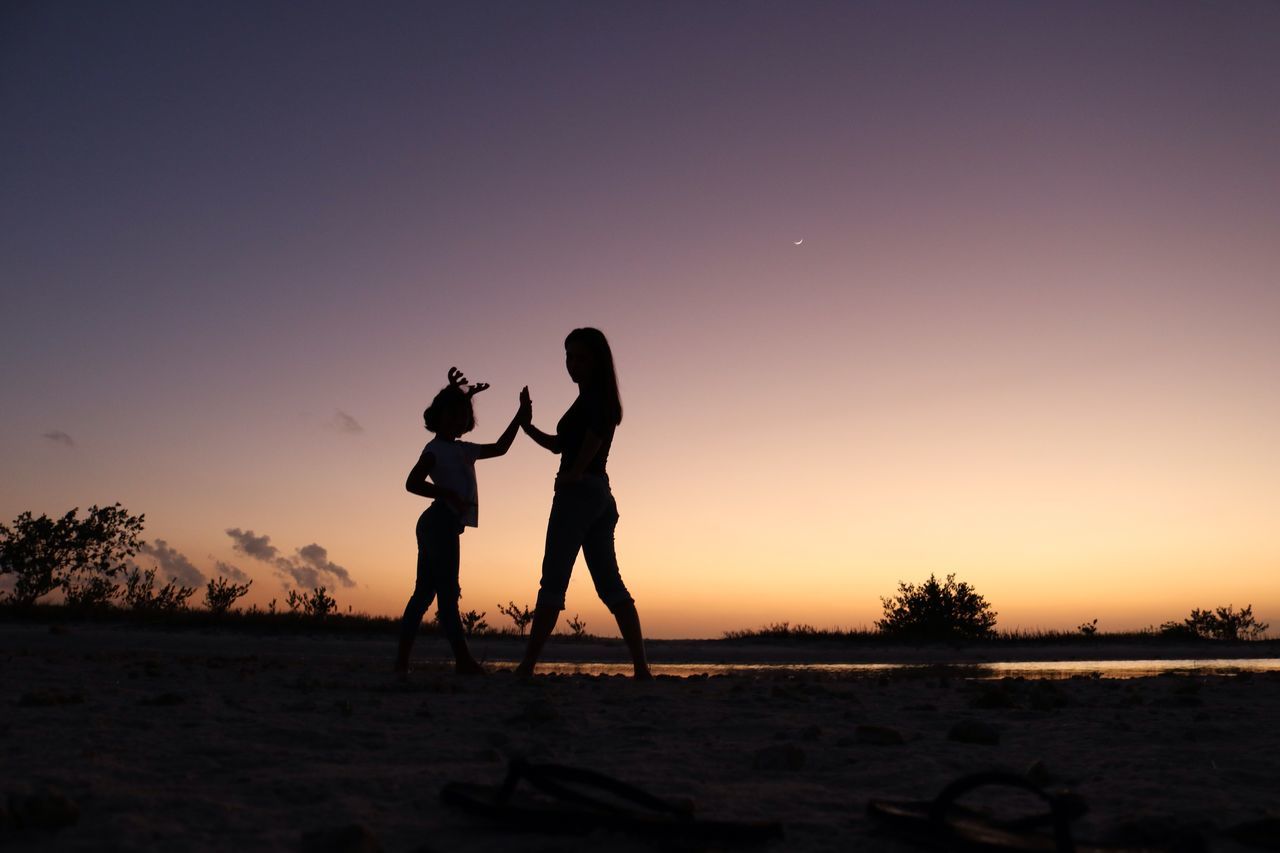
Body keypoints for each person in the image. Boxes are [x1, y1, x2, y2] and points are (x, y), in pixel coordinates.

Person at [514, 328, 651, 679]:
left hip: (581, 493)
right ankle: (641, 669)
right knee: (610, 584)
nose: (571, 364)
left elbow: (596, 435)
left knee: (553, 579)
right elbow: (561, 444)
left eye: (579, 357)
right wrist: (527, 427)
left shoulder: (598, 399)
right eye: (568, 356)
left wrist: (574, 473)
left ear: (596, 361)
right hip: (600, 497)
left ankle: (527, 666)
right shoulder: (587, 399)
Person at [396, 367, 529, 676]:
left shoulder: (463, 450)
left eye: (462, 416)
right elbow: (412, 482)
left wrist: (521, 416)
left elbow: (500, 448)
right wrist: (448, 494)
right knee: (445, 596)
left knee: (426, 595)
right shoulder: (434, 450)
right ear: (438, 417)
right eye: (451, 415)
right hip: (438, 523)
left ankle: (404, 663)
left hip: (441, 525)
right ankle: (463, 662)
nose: (457, 421)